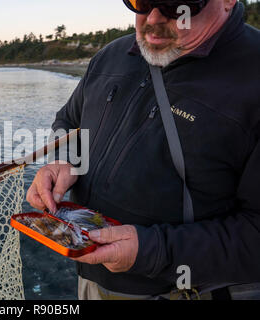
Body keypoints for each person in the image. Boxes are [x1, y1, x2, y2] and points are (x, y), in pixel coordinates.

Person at [27, 0, 260, 300]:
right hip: (89, 283)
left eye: (178, 4)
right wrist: (65, 161)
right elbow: (68, 121)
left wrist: (154, 250)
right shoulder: (110, 56)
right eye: (141, 1)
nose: (153, 18)